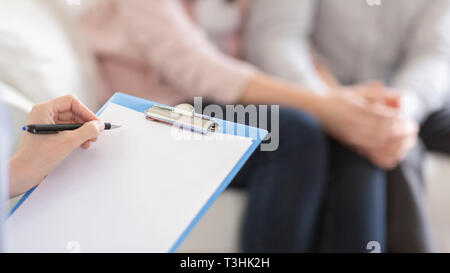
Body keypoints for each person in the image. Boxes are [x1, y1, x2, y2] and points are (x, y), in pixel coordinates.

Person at [80, 0, 416, 252]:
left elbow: (278, 47)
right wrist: (326, 107)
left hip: (213, 108)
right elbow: (196, 65)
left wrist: (346, 107)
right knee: (293, 133)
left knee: (347, 142)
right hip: (155, 116)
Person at [244, 0, 450, 252]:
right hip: (316, 89)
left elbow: (434, 54)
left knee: (389, 142)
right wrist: (328, 106)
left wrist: (399, 111)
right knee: (374, 155)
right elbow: (276, 38)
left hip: (397, 98)